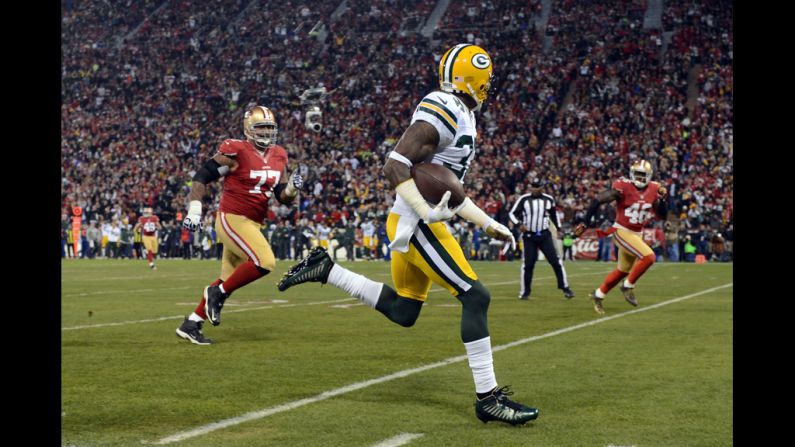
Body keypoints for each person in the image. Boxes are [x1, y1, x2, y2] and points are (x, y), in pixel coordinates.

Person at [277, 44, 538, 425]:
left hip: (416, 220)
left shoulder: (463, 113)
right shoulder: (445, 107)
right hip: (416, 224)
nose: (489, 85)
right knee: (476, 297)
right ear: (474, 77)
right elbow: (395, 164)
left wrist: (487, 223)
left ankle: (327, 269)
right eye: (486, 78)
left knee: (404, 311)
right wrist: (425, 213)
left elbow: (447, 190)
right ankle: (488, 398)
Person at [176, 105, 303, 345]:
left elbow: (281, 196)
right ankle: (216, 294)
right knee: (265, 261)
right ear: (248, 129)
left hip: (253, 222)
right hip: (232, 217)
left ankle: (192, 323)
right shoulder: (236, 151)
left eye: (269, 127)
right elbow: (202, 176)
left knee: (229, 279)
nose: (266, 132)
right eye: (261, 127)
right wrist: (195, 209)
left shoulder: (279, 155)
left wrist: (291, 189)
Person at [574, 160, 667, 314]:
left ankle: (598, 294)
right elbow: (598, 199)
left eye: (643, 175)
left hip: (637, 233)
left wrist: (662, 200)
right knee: (649, 257)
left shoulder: (655, 189)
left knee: (623, 270)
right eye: (637, 174)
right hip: (622, 230)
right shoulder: (623, 186)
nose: (640, 178)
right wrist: (585, 221)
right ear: (631, 174)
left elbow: (662, 215)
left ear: (649, 176)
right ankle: (628, 286)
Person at [508, 178, 574, 300]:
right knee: (528, 265)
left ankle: (565, 288)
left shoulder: (549, 199)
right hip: (529, 236)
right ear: (530, 187)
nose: (535, 188)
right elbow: (511, 213)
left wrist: (559, 229)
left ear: (542, 187)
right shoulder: (524, 199)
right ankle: (525, 292)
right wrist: (519, 225)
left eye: (538, 186)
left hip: (544, 235)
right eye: (533, 186)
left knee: (556, 262)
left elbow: (554, 215)